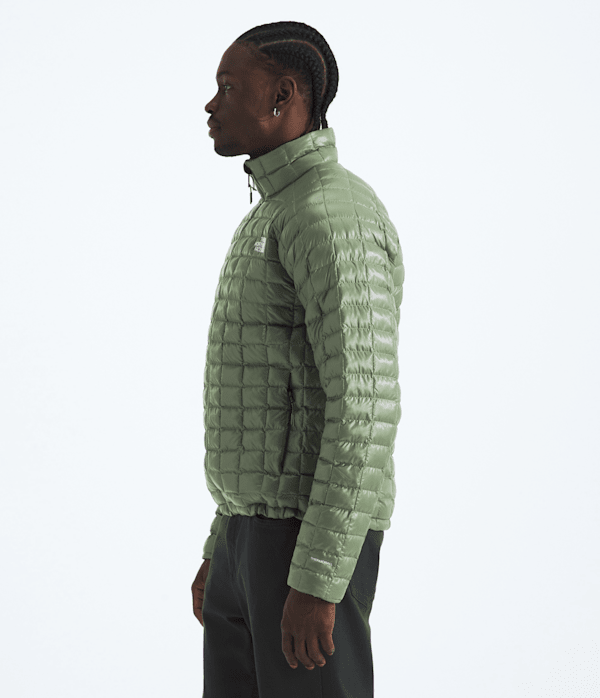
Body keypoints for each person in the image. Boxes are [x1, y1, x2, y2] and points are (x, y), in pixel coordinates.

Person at [191, 20, 405, 698]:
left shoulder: (332, 216)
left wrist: (318, 579)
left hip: (304, 546)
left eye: (229, 88)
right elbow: (264, 401)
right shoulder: (273, 213)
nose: (210, 105)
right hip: (252, 539)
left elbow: (363, 406)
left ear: (283, 96)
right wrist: (223, 544)